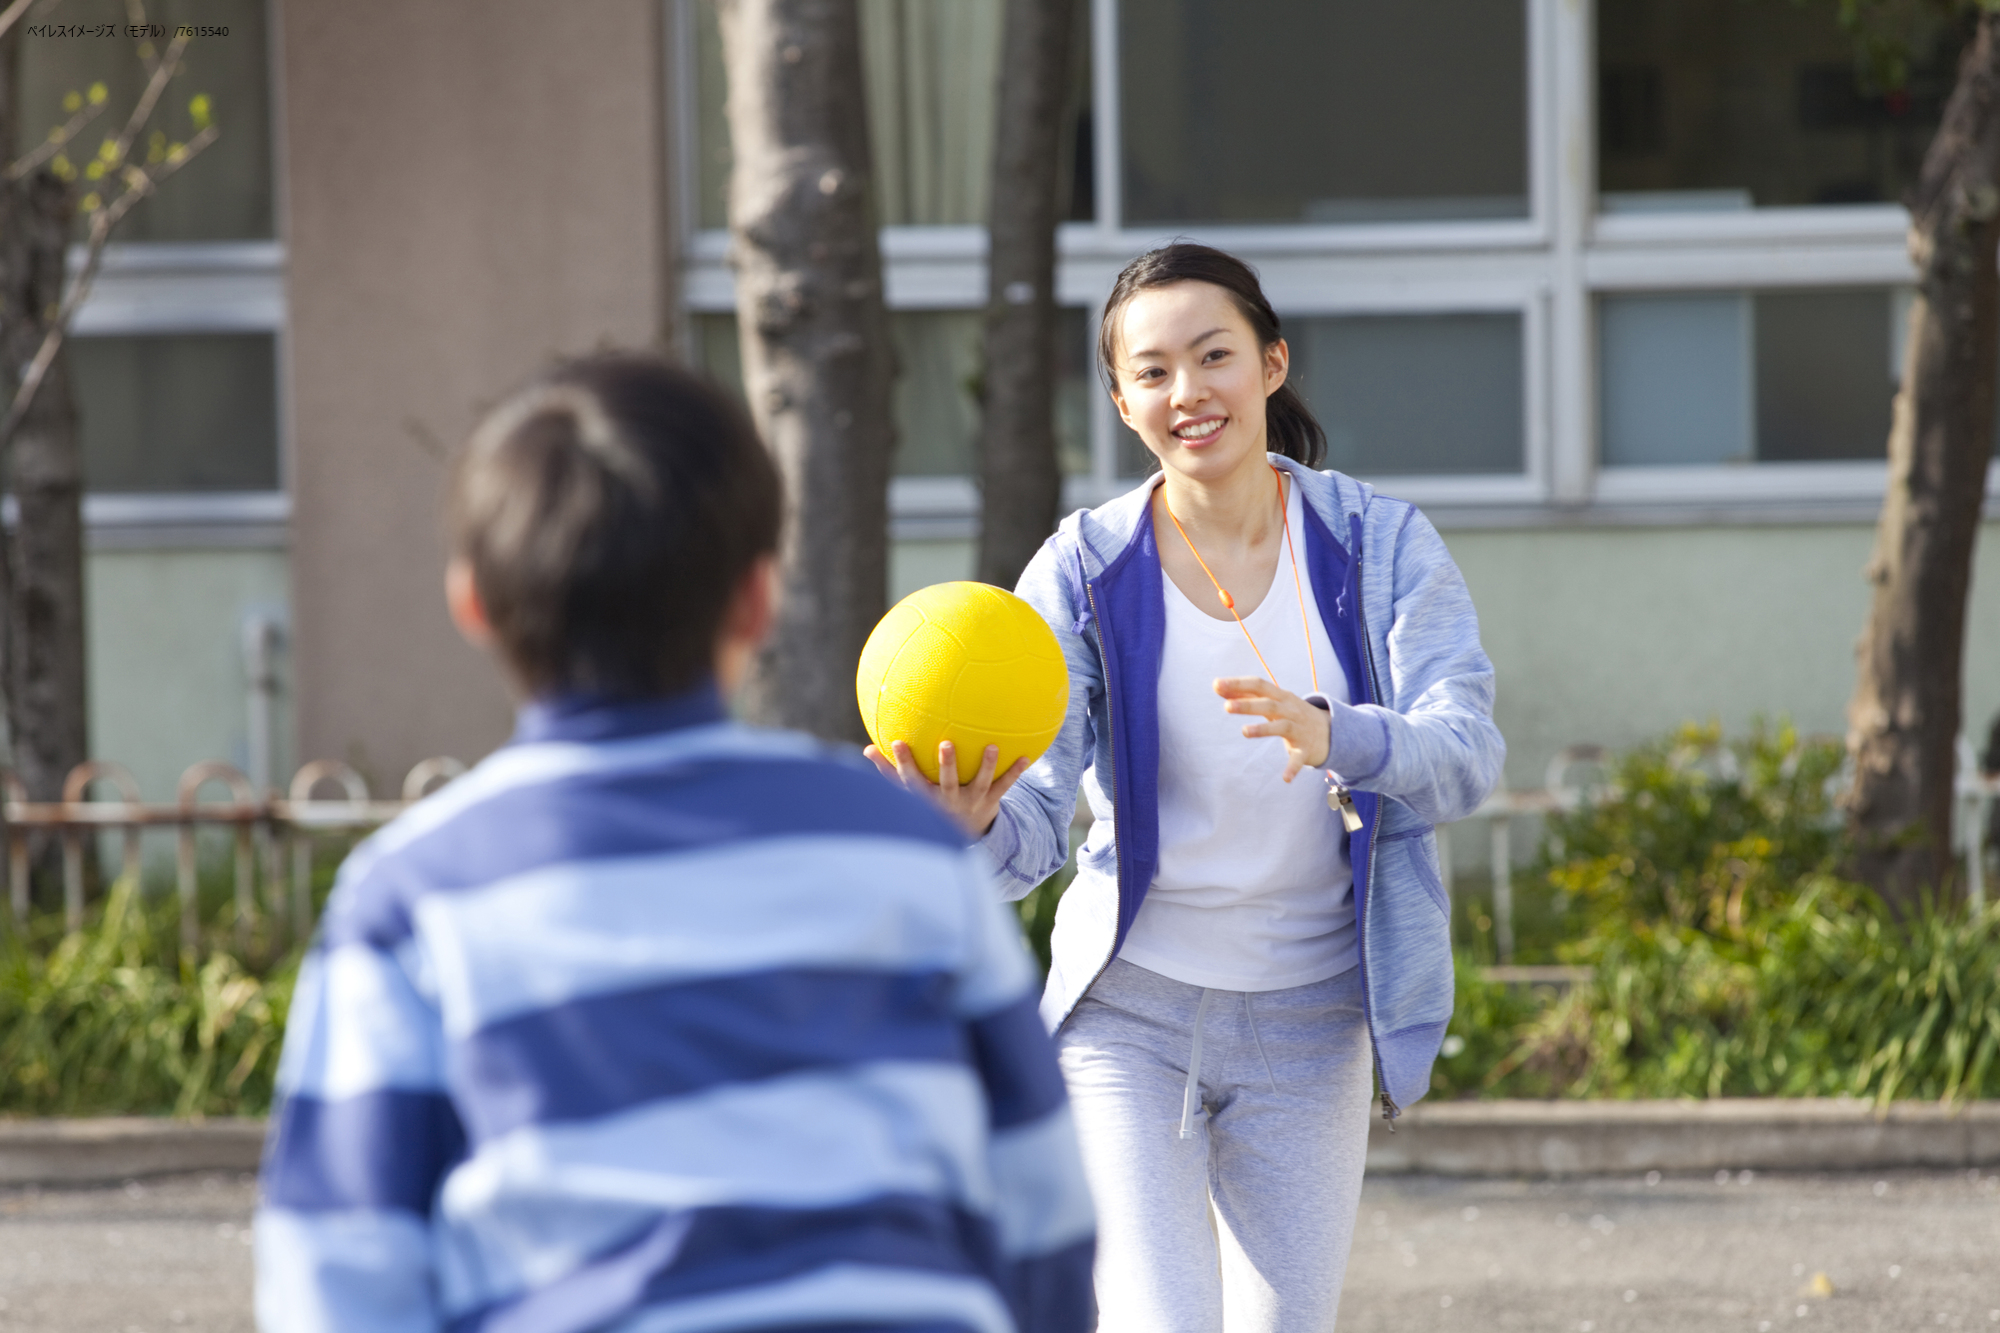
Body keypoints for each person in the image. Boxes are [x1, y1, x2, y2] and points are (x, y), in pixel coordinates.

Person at [254, 354, 1096, 1333]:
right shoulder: (908, 853)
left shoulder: (414, 893)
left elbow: (342, 1265)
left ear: (471, 600)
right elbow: (1039, 1194)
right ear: (757, 599)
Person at [869, 243, 1504, 1332]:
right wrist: (968, 828)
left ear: (1270, 363)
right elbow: (1035, 830)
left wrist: (1339, 734)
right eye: (1152, 371)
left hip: (1313, 1018)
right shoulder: (1081, 568)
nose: (1187, 391)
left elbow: (1466, 757)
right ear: (1122, 403)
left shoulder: (1380, 543)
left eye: (1213, 356)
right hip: (1131, 1016)